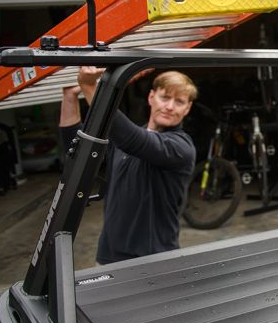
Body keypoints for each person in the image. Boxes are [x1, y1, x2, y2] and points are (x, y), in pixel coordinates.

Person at [60, 66, 197, 265]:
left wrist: (91, 88)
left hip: (154, 261)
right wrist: (70, 97)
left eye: (179, 102)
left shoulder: (181, 147)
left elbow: (133, 140)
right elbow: (77, 153)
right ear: (151, 97)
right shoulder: (123, 142)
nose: (169, 106)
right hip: (107, 256)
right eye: (165, 97)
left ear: (187, 108)